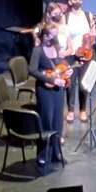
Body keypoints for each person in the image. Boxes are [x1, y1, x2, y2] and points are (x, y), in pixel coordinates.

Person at [29, 23, 70, 167]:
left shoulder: (56, 48)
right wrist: (51, 80)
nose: (55, 39)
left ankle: (56, 153)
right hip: (45, 91)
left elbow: (60, 66)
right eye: (52, 36)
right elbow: (32, 70)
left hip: (58, 90)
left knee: (58, 122)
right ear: (45, 36)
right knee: (46, 121)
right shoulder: (38, 50)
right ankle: (43, 154)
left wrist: (67, 71)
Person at [63, 0, 96, 123]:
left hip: (85, 54)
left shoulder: (88, 15)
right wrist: (69, 49)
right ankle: (71, 110)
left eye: (80, 0)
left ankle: (83, 110)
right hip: (71, 54)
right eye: (76, 0)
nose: (78, 2)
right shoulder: (65, 17)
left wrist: (92, 37)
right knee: (70, 83)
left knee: (83, 83)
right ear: (70, 2)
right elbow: (63, 35)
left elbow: (93, 35)